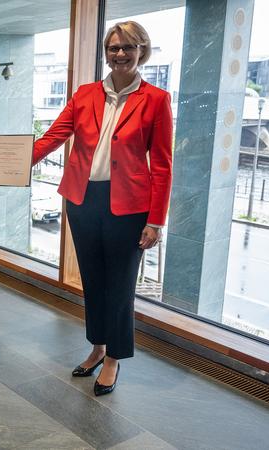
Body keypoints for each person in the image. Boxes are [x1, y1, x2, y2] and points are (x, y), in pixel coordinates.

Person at [32, 21, 173, 396]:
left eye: (128, 47)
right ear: (105, 53)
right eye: (113, 48)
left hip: (129, 207)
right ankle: (96, 346)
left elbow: (161, 164)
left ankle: (114, 358)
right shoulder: (84, 94)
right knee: (92, 281)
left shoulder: (156, 100)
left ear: (142, 50)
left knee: (120, 285)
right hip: (83, 201)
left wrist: (156, 221)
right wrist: (9, 166)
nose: (120, 54)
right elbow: (52, 138)